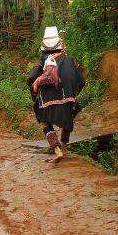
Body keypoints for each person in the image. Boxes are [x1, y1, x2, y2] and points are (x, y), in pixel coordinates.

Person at [27, 26, 85, 163]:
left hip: (47, 104)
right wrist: (73, 95)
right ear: (60, 46)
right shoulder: (69, 61)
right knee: (70, 111)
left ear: (44, 47)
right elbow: (81, 80)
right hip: (68, 101)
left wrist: (35, 93)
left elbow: (31, 78)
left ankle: (56, 148)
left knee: (42, 118)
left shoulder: (42, 62)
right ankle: (64, 146)